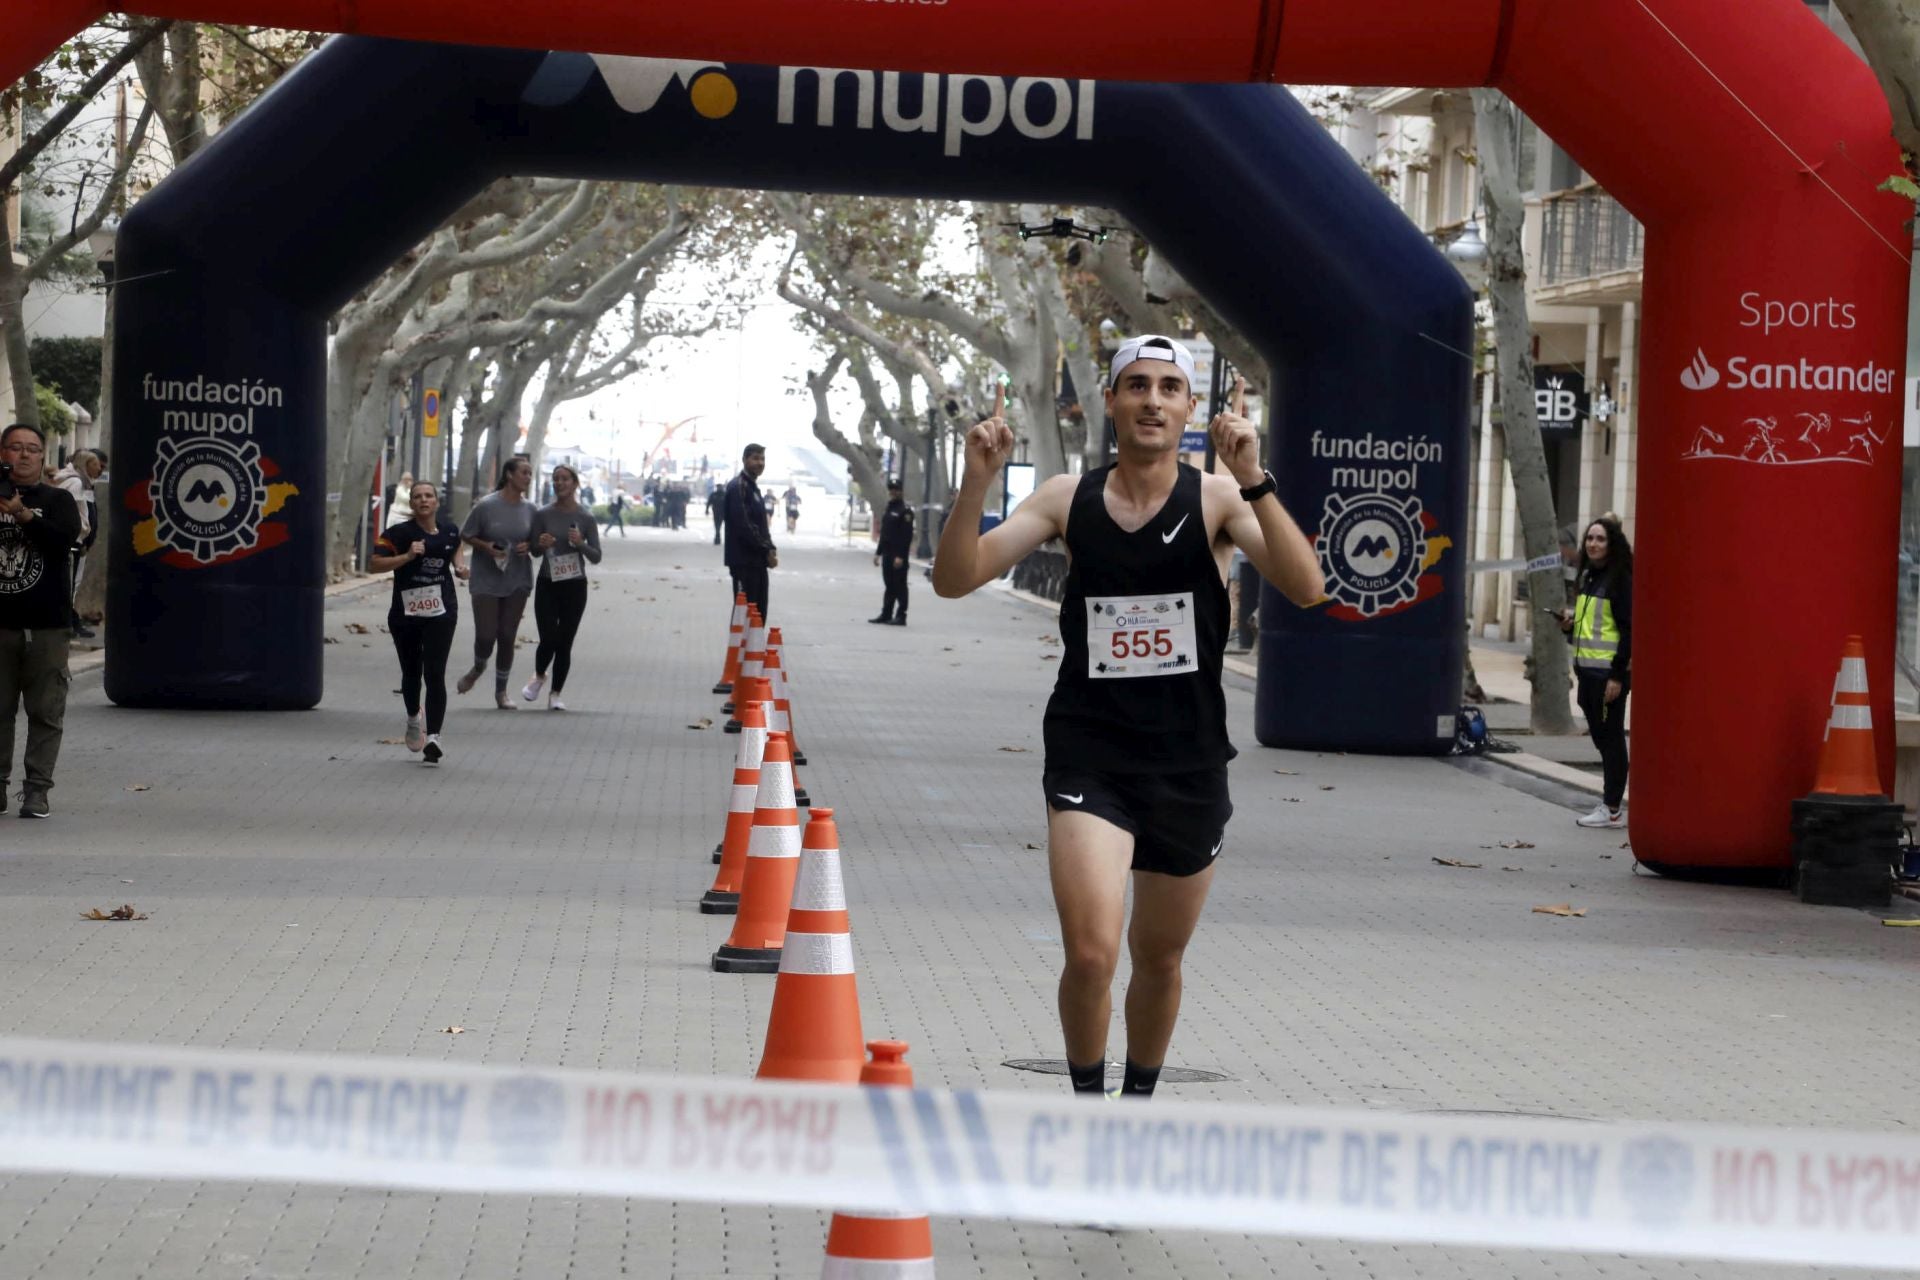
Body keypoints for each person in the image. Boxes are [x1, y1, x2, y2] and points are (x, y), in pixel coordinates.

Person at [932, 336, 1323, 1099]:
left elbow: (1307, 587)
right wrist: (975, 486)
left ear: (1189, 410)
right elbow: (955, 580)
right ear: (1110, 402)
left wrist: (1253, 479)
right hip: (1090, 755)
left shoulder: (1216, 499)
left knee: (1160, 958)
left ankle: (1137, 1105)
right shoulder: (1062, 497)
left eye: (1170, 388)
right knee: (1090, 954)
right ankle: (1085, 1113)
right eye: (1136, 385)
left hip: (1188, 763)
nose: (1152, 399)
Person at [0, 423, 84, 817]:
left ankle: (36, 790)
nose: (24, 455)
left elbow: (61, 542)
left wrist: (23, 516)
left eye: (32, 448)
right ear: (3, 453)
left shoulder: (58, 500)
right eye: (15, 447)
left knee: (45, 711)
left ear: (43, 455)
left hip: (47, 627)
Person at [371, 480, 467, 764]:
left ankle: (435, 737)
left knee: (435, 673)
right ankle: (414, 718)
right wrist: (407, 556)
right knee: (412, 672)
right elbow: (375, 563)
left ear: (436, 502)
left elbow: (456, 549)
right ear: (411, 504)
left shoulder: (449, 530)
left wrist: (461, 568)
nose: (424, 500)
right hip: (406, 614)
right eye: (417, 497)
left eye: (429, 496)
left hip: (441, 612)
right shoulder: (398, 533)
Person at [1558, 515, 1633, 829]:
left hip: (1607, 678)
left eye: (1600, 539)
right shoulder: (1589, 578)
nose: (1593, 544)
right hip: (1588, 674)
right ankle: (1609, 804)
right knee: (1603, 740)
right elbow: (1592, 628)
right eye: (1590, 538)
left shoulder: (1620, 580)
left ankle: (1612, 808)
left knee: (1611, 739)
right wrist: (1568, 627)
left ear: (1611, 543)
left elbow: (1629, 631)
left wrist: (1617, 676)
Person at [458, 454, 536, 710]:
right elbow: (466, 534)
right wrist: (486, 546)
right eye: (524, 472)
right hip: (486, 579)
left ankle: (501, 692)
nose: (528, 477)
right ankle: (478, 666)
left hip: (517, 579)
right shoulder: (486, 506)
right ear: (510, 475)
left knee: (506, 635)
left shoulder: (530, 510)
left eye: (530, 473)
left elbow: (537, 543)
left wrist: (529, 546)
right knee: (486, 634)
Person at [523, 463, 603, 710]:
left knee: (565, 640)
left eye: (565, 479)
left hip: (575, 585)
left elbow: (596, 555)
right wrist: (541, 543)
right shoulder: (542, 514)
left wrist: (579, 543)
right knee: (548, 636)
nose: (560, 483)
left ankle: (555, 694)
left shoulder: (585, 517)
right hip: (548, 581)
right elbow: (534, 551)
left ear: (575, 483)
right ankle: (538, 675)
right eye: (556, 479)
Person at [724, 443, 777, 617]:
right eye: (755, 458)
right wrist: (765, 548)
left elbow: (761, 525)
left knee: (758, 614)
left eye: (762, 459)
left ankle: (754, 645)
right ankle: (739, 646)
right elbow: (744, 525)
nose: (760, 463)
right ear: (745, 460)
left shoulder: (753, 488)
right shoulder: (739, 487)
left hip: (757, 562)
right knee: (744, 614)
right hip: (743, 562)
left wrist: (770, 548)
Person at [50, 450, 98, 638]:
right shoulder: (76, 483)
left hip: (75, 540)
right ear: (85, 464)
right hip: (75, 541)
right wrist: (83, 535)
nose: (99, 467)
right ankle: (67, 623)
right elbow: (78, 513)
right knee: (71, 584)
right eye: (94, 463)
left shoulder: (79, 482)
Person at [869, 477, 914, 626]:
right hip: (887, 554)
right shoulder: (889, 508)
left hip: (898, 555)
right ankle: (886, 613)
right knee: (889, 585)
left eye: (896, 490)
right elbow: (884, 533)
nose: (893, 492)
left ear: (901, 491)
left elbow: (906, 537)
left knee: (900, 585)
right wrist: (878, 553)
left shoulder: (905, 511)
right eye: (891, 490)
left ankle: (901, 615)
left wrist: (901, 556)